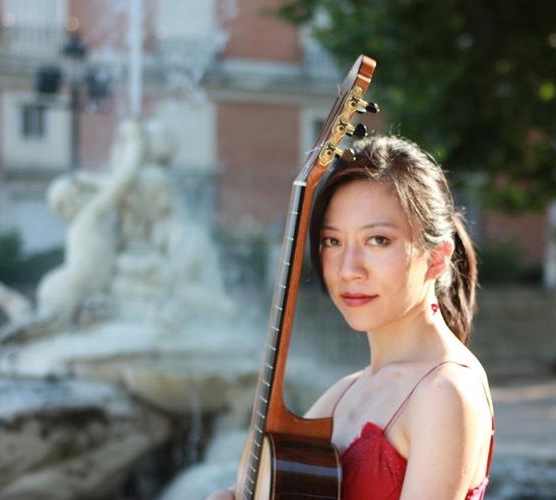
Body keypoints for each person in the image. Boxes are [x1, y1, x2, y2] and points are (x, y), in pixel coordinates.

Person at [209, 135, 494, 500]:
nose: (348, 270)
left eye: (378, 240)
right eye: (332, 241)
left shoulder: (444, 392)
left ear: (437, 258)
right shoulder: (344, 393)